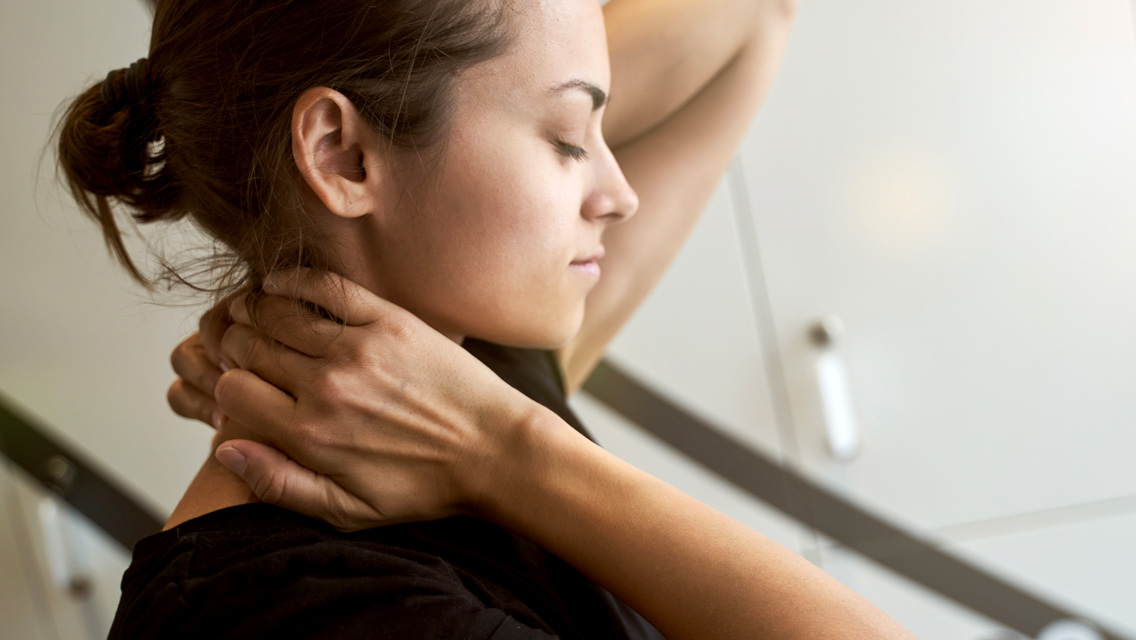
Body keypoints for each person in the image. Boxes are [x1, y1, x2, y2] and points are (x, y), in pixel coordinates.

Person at [58, 0, 915, 637]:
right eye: (570, 139)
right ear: (344, 155)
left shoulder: (476, 375)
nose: (618, 196)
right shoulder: (289, 614)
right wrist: (506, 453)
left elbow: (749, 14)